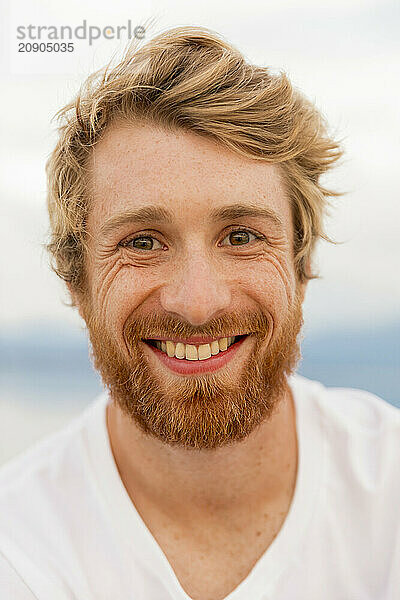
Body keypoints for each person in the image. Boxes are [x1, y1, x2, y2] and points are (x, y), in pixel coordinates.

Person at [0, 26, 399, 600]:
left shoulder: (390, 498)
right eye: (142, 242)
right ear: (79, 282)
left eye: (241, 235)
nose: (197, 302)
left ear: (300, 260)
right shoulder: (20, 553)